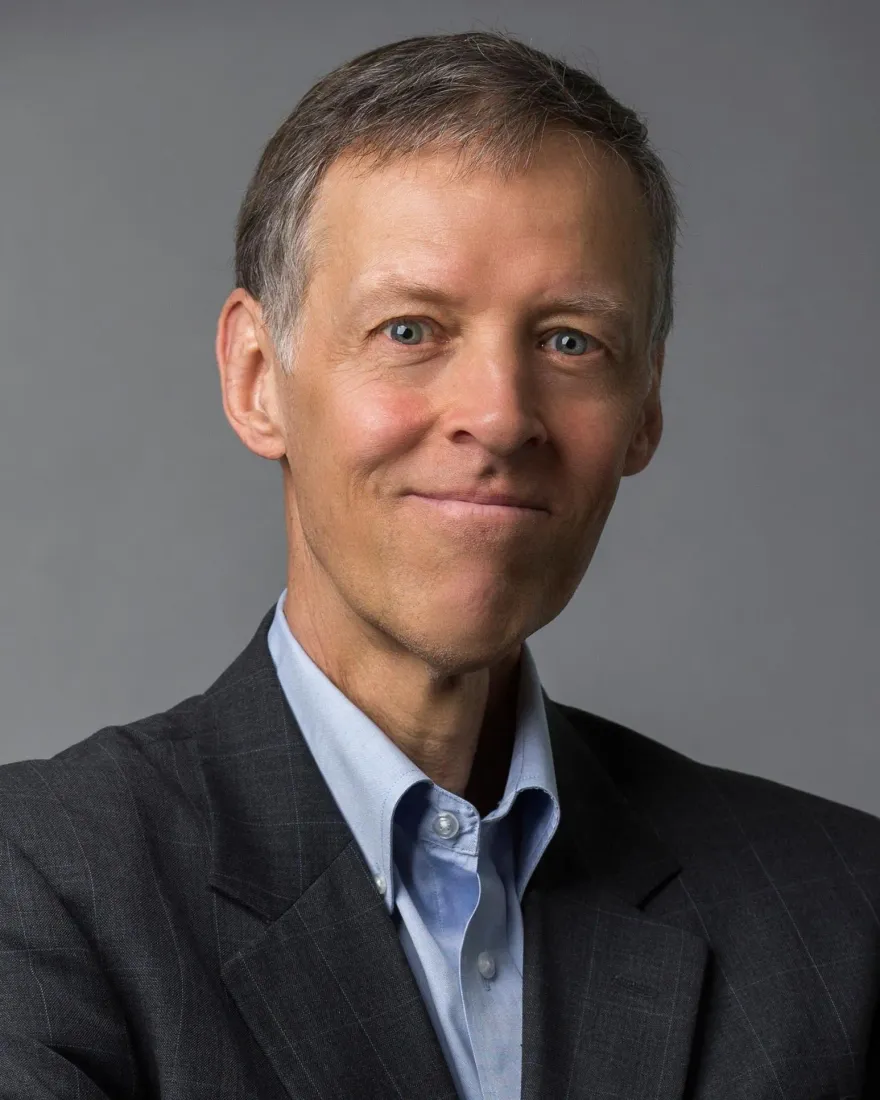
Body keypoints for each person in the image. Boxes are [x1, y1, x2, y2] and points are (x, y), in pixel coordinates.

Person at [0, 28, 877, 1100]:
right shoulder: (44, 885)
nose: (499, 416)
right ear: (255, 377)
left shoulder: (842, 915)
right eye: (411, 329)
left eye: (569, 341)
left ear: (644, 406)